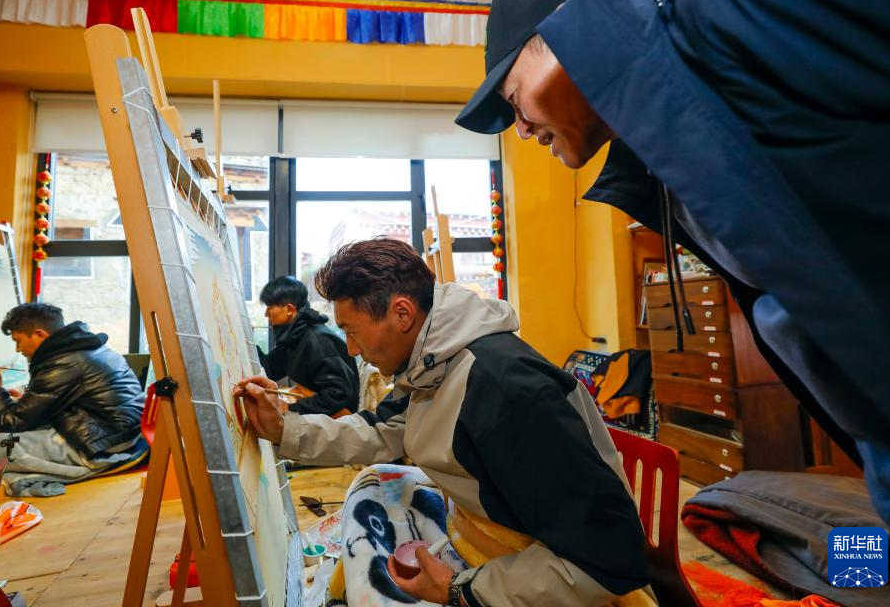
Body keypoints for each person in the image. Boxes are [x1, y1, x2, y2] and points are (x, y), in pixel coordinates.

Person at [453, 0, 890, 573]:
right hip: (889, 463)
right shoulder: (668, 163)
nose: (522, 130)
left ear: (561, 32)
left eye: (512, 101)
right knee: (764, 529)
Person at [236, 239, 650, 606]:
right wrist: (285, 429)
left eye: (353, 332)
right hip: (478, 530)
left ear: (402, 313)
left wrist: (459, 590)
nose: (351, 350)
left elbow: (608, 558)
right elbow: (383, 428)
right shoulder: (431, 362)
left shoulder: (506, 392)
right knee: (373, 482)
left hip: (542, 574)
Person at [0, 303, 146, 493]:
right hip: (127, 434)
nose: (17, 349)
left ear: (39, 335)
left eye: (18, 341)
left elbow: (10, 423)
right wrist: (28, 400)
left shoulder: (61, 363)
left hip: (106, 445)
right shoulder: (86, 348)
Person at [257, 275, 359, 417]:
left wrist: (291, 408)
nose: (266, 314)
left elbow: (338, 394)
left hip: (337, 423)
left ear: (289, 309)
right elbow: (269, 368)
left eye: (270, 307)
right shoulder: (293, 338)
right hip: (318, 417)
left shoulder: (317, 340)